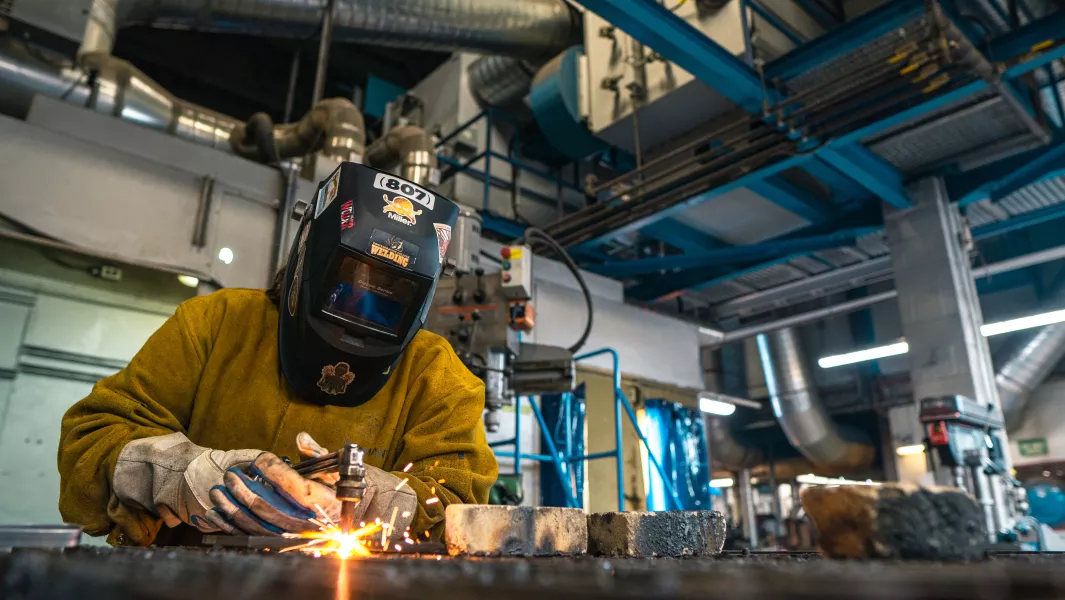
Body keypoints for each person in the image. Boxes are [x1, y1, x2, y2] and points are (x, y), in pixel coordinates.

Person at [56, 162, 497, 547]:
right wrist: (182, 476)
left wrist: (368, 503)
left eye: (390, 297)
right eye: (349, 284)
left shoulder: (439, 376)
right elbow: (91, 441)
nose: (359, 313)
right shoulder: (216, 322)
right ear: (310, 253)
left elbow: (460, 512)